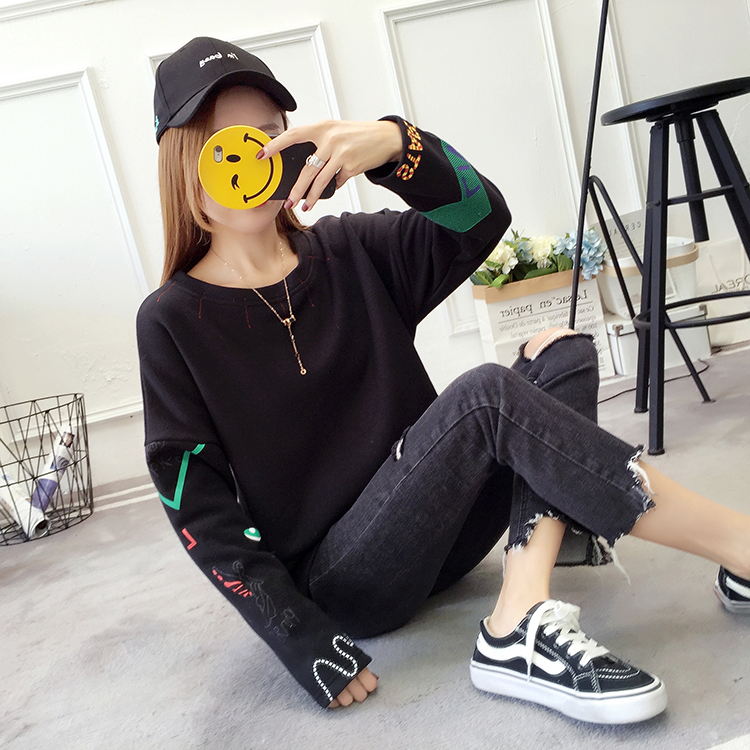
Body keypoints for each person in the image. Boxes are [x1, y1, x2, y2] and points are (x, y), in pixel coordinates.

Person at [137, 36, 750, 724]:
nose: (255, 158)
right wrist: (300, 638)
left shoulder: (349, 249)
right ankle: (740, 547)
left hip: (449, 532)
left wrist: (395, 145)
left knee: (565, 353)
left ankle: (522, 603)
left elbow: (483, 218)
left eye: (271, 135)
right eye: (226, 144)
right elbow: (200, 510)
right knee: (485, 396)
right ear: (183, 162)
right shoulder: (171, 321)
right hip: (350, 581)